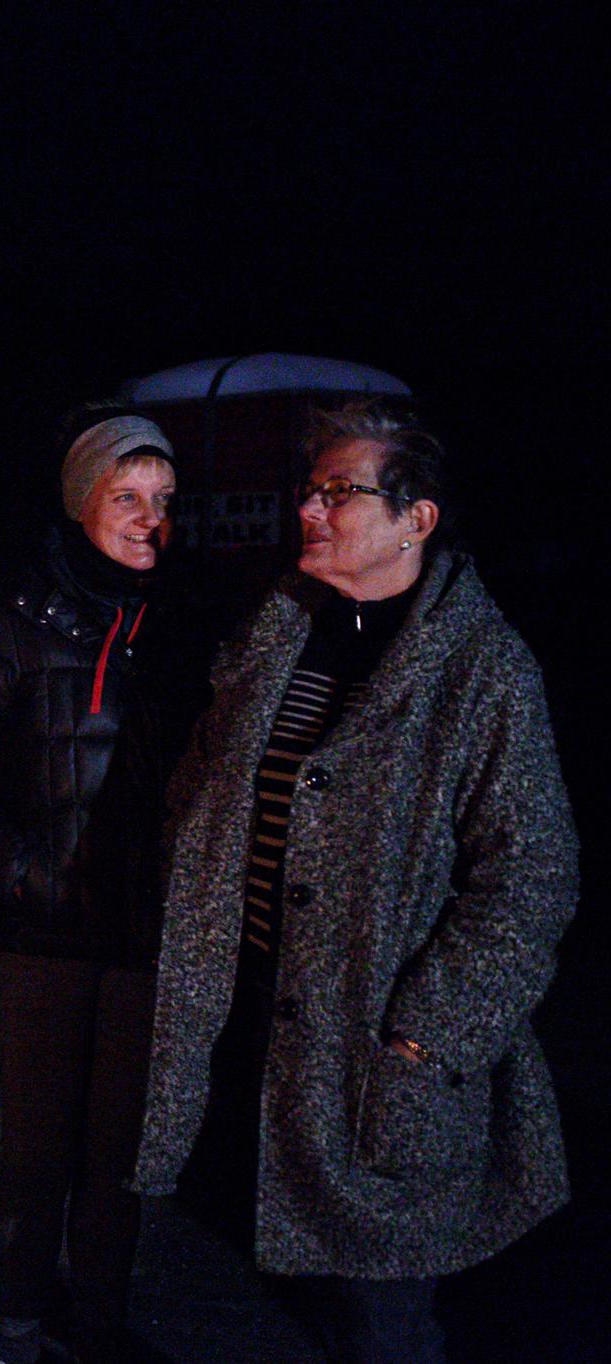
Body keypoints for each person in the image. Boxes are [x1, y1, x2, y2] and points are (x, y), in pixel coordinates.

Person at [131, 401, 578, 1363]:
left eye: (342, 492)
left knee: (382, 1326)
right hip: (247, 1032)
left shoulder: (482, 672)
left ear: (416, 519)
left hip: (377, 1059)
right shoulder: (282, 628)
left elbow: (534, 875)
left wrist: (428, 1033)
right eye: (310, 490)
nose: (311, 511)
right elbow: (204, 776)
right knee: (247, 1301)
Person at [0, 410, 195, 1364]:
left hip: (150, 941)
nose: (149, 520)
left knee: (124, 1160)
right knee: (37, 1155)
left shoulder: (189, 624)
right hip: (45, 935)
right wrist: (28, 880)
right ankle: (15, 1323)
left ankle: (104, 1330)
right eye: (127, 498)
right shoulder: (17, 625)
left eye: (163, 501)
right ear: (82, 504)